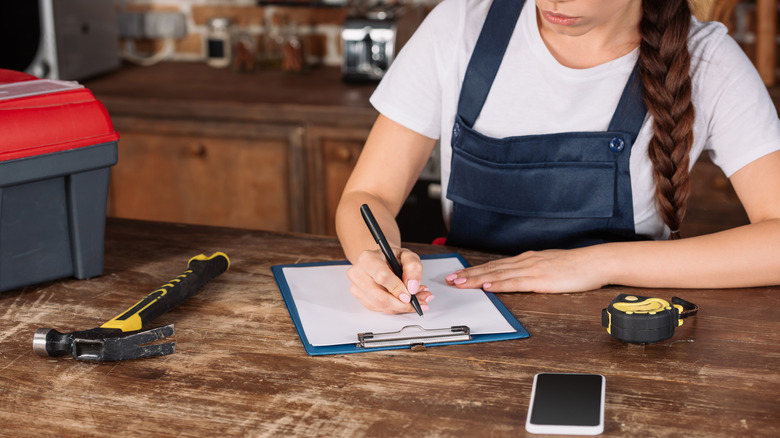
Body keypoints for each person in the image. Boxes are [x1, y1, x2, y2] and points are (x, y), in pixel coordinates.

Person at [335, 0, 780, 314]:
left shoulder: (708, 61)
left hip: (625, 328)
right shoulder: (459, 27)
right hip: (466, 314)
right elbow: (368, 192)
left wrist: (597, 263)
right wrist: (376, 258)